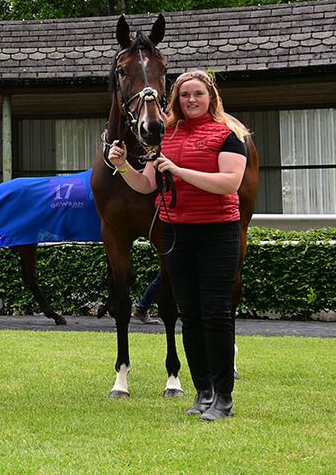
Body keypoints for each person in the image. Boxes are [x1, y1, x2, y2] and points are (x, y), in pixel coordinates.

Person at [108, 69, 248, 422]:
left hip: (218, 232)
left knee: (216, 314)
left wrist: (180, 170)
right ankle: (202, 392)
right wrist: (124, 166)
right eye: (185, 95)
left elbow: (229, 182)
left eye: (197, 94)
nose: (191, 100)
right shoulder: (165, 135)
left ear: (210, 97)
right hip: (176, 233)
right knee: (191, 315)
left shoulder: (228, 134)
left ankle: (223, 397)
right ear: (176, 100)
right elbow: (146, 185)